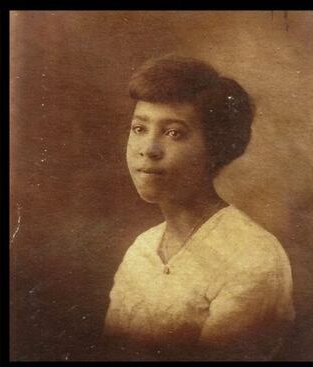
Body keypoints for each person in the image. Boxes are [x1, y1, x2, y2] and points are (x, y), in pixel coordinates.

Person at [101, 55, 294, 361]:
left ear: (215, 148)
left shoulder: (253, 258)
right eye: (139, 129)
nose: (148, 149)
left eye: (174, 133)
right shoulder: (142, 249)